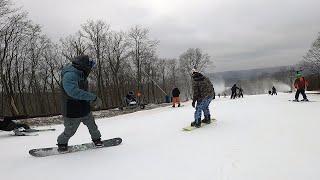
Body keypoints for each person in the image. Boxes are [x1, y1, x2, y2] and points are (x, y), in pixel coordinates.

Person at [57, 55, 103, 152]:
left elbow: (84, 91)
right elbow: (73, 92)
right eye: (90, 66)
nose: (91, 68)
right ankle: (62, 143)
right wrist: (93, 97)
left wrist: (91, 101)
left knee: (92, 126)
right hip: (71, 109)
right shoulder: (69, 75)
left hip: (84, 107)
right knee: (70, 131)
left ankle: (97, 139)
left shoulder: (81, 74)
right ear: (84, 66)